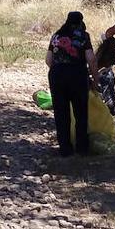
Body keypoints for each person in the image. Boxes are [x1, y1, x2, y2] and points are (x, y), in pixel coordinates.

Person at [46, 11, 99, 156]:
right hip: (77, 75)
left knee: (61, 113)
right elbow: (91, 59)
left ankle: (65, 148)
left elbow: (48, 60)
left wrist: (60, 69)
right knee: (80, 112)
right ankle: (82, 148)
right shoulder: (83, 36)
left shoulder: (56, 36)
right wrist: (95, 79)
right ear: (81, 22)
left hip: (57, 75)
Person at [95, 36, 115, 116]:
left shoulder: (104, 49)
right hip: (103, 72)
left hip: (105, 71)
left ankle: (111, 109)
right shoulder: (107, 49)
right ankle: (111, 109)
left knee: (109, 91)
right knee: (108, 92)